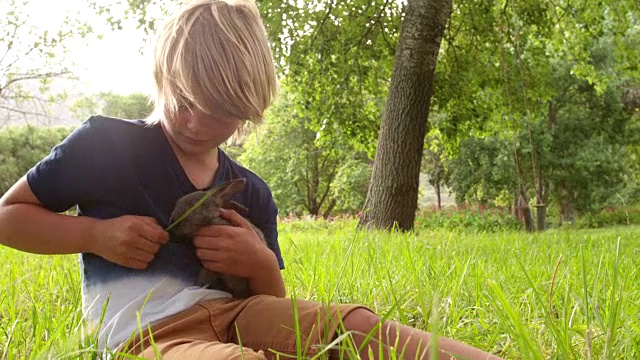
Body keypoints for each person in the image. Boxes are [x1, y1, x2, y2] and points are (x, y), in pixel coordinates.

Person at [0, 0, 501, 359]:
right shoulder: (104, 145)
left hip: (243, 316)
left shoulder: (251, 190)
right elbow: (9, 216)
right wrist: (94, 235)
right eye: (185, 101)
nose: (195, 122)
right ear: (161, 77)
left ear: (247, 114)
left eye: (217, 113)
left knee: (357, 327)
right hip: (149, 337)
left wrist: (259, 261)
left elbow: (270, 300)